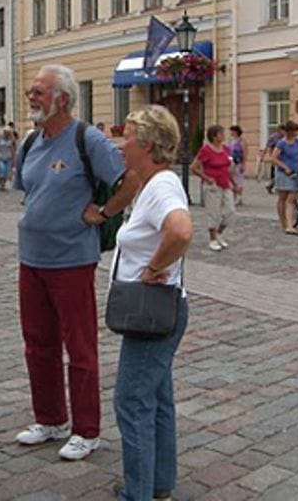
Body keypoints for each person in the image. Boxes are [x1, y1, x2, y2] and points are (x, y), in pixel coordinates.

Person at [13, 64, 140, 461]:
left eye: (39, 92)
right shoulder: (30, 143)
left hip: (71, 261)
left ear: (62, 99)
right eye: (31, 91)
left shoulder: (88, 139)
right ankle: (50, 419)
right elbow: (29, 192)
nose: (31, 97)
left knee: (79, 347)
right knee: (38, 344)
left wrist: (102, 212)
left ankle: (87, 429)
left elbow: (131, 178)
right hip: (31, 258)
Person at [112, 105, 192, 501]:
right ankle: (157, 483)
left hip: (152, 310)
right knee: (158, 398)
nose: (119, 145)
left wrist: (153, 267)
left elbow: (180, 231)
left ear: (145, 144)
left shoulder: (160, 186)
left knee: (131, 399)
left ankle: (137, 493)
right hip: (159, 308)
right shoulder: (155, 183)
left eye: (125, 136)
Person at [191, 125, 235, 252]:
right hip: (213, 185)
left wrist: (234, 183)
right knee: (213, 213)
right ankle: (212, 238)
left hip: (225, 183)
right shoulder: (206, 150)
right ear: (214, 136)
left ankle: (219, 233)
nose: (223, 135)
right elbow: (194, 167)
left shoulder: (226, 149)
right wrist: (206, 177)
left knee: (230, 211)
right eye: (221, 133)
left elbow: (228, 167)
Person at [225, 125, 247, 205]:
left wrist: (243, 164)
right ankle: (233, 195)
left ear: (237, 132)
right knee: (231, 179)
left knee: (239, 179)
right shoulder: (230, 141)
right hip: (230, 162)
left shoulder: (241, 141)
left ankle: (239, 196)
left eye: (232, 131)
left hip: (238, 162)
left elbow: (244, 153)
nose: (231, 133)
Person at [260, 124, 285, 194]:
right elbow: (267, 147)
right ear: (280, 130)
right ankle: (274, 186)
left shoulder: (285, 137)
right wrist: (262, 156)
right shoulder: (274, 137)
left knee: (279, 173)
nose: (285, 132)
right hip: (275, 158)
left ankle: (271, 185)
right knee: (276, 173)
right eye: (284, 130)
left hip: (283, 158)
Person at [0, 126, 17, 191]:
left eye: (8, 133)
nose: (7, 134)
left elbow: (13, 150)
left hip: (9, 158)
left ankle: (3, 184)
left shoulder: (12, 139)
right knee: (2, 170)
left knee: (7, 172)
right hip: (0, 157)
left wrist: (14, 160)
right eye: (6, 132)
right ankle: (1, 183)